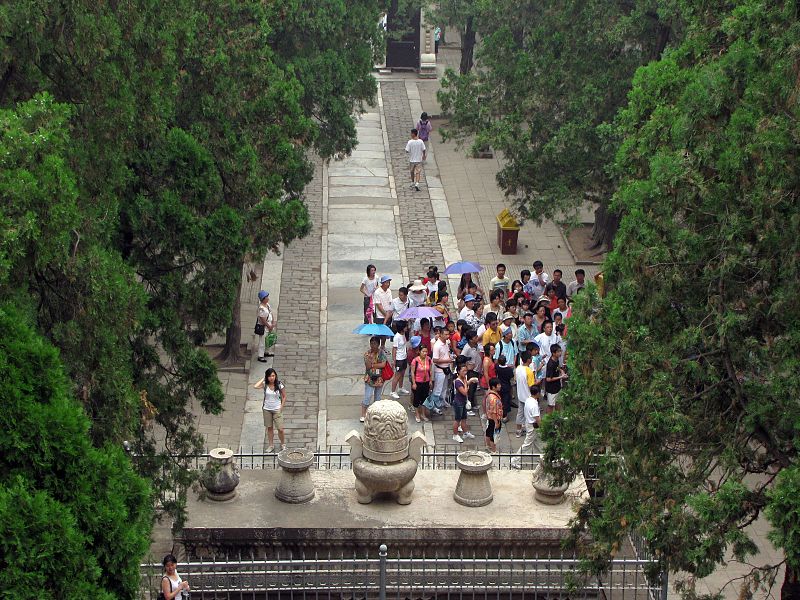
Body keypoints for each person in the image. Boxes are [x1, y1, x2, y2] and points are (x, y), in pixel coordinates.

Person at [253, 368, 287, 452]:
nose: (271, 378)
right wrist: (263, 378)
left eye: (273, 376)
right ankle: (271, 445)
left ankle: (283, 444)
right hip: (267, 409)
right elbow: (255, 386)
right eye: (269, 376)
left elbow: (284, 396)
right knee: (269, 428)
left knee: (280, 429)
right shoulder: (265, 384)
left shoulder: (279, 385)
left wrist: (281, 408)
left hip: (276, 409)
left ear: (275, 376)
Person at [511, 384, 542, 469]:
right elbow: (537, 418)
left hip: (528, 423)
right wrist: (542, 427)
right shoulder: (534, 405)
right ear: (537, 393)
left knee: (538, 442)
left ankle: (543, 457)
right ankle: (515, 460)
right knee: (527, 444)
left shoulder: (528, 400)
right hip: (533, 426)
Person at [362, 336, 388, 422]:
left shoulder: (382, 353)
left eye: (375, 344)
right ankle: (363, 414)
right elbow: (368, 366)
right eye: (371, 343)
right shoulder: (367, 354)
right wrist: (370, 360)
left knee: (378, 397)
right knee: (368, 395)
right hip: (370, 377)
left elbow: (383, 364)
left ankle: (376, 414)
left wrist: (373, 364)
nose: (373, 346)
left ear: (378, 344)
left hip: (379, 378)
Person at [452, 363, 478, 443]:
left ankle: (465, 432)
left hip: (463, 401)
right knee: (457, 419)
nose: (465, 372)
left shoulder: (464, 379)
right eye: (463, 371)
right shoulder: (458, 382)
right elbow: (464, 392)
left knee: (464, 418)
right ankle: (455, 435)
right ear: (459, 371)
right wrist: (468, 382)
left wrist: (469, 381)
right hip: (458, 402)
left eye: (466, 371)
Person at [429, 327, 452, 415]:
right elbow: (435, 360)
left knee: (444, 387)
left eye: (448, 334)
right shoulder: (437, 345)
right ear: (441, 334)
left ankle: (442, 401)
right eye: (445, 334)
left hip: (446, 368)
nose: (447, 336)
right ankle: (434, 406)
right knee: (437, 389)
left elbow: (447, 353)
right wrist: (447, 361)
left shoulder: (446, 343)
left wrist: (449, 358)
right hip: (439, 370)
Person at [514, 351, 535, 437]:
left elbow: (515, 379)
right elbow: (531, 386)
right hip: (528, 397)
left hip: (520, 395)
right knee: (529, 415)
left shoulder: (518, 368)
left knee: (520, 413)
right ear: (529, 360)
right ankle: (529, 430)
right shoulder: (529, 371)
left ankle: (518, 430)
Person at [410, 343, 432, 423]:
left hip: (426, 382)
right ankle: (417, 414)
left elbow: (430, 371)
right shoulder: (415, 361)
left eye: (426, 351)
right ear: (419, 352)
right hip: (418, 382)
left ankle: (423, 414)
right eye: (423, 351)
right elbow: (412, 372)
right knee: (417, 398)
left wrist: (430, 380)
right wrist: (414, 383)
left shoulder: (429, 359)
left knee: (424, 398)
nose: (425, 353)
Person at [390, 320, 410, 399]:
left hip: (404, 357)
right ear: (402, 328)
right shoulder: (397, 337)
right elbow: (394, 349)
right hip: (399, 359)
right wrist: (394, 360)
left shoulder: (404, 334)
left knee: (402, 373)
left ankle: (401, 387)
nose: (407, 327)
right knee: (397, 375)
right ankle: (393, 391)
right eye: (405, 326)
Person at [544, 344, 568, 413]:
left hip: (557, 386)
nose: (560, 353)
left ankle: (557, 418)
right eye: (558, 352)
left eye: (560, 351)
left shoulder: (556, 360)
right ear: (553, 353)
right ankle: (548, 420)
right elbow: (548, 379)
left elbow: (557, 367)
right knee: (551, 405)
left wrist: (561, 371)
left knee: (558, 403)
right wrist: (561, 377)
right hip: (551, 389)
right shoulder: (550, 364)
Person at [483, 377, 503, 452]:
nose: (500, 386)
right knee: (493, 434)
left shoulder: (489, 394)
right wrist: (496, 422)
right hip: (494, 418)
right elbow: (494, 412)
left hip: (490, 417)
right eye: (498, 385)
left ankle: (488, 446)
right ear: (493, 387)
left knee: (489, 431)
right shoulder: (493, 398)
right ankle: (493, 450)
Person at [256, 290, 275, 362]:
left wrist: (273, 322)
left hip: (269, 325)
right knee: (262, 342)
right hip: (264, 327)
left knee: (269, 339)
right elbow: (262, 320)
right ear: (263, 299)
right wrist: (269, 326)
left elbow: (271, 313)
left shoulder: (267, 305)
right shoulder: (261, 308)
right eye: (266, 297)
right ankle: (260, 356)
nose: (268, 298)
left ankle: (266, 352)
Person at [496, 354, 515, 420]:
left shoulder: (497, 367)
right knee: (505, 401)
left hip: (499, 386)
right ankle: (504, 416)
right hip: (507, 386)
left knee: (500, 399)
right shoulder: (509, 370)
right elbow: (511, 378)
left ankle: (499, 413)